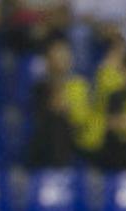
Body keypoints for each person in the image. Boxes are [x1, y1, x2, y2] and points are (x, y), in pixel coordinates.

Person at [27, 36, 100, 167]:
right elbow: (52, 108)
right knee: (57, 123)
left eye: (65, 54)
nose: (63, 58)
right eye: (58, 54)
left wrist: (72, 110)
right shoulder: (41, 86)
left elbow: (84, 116)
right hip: (48, 139)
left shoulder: (80, 83)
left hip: (78, 136)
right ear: (48, 59)